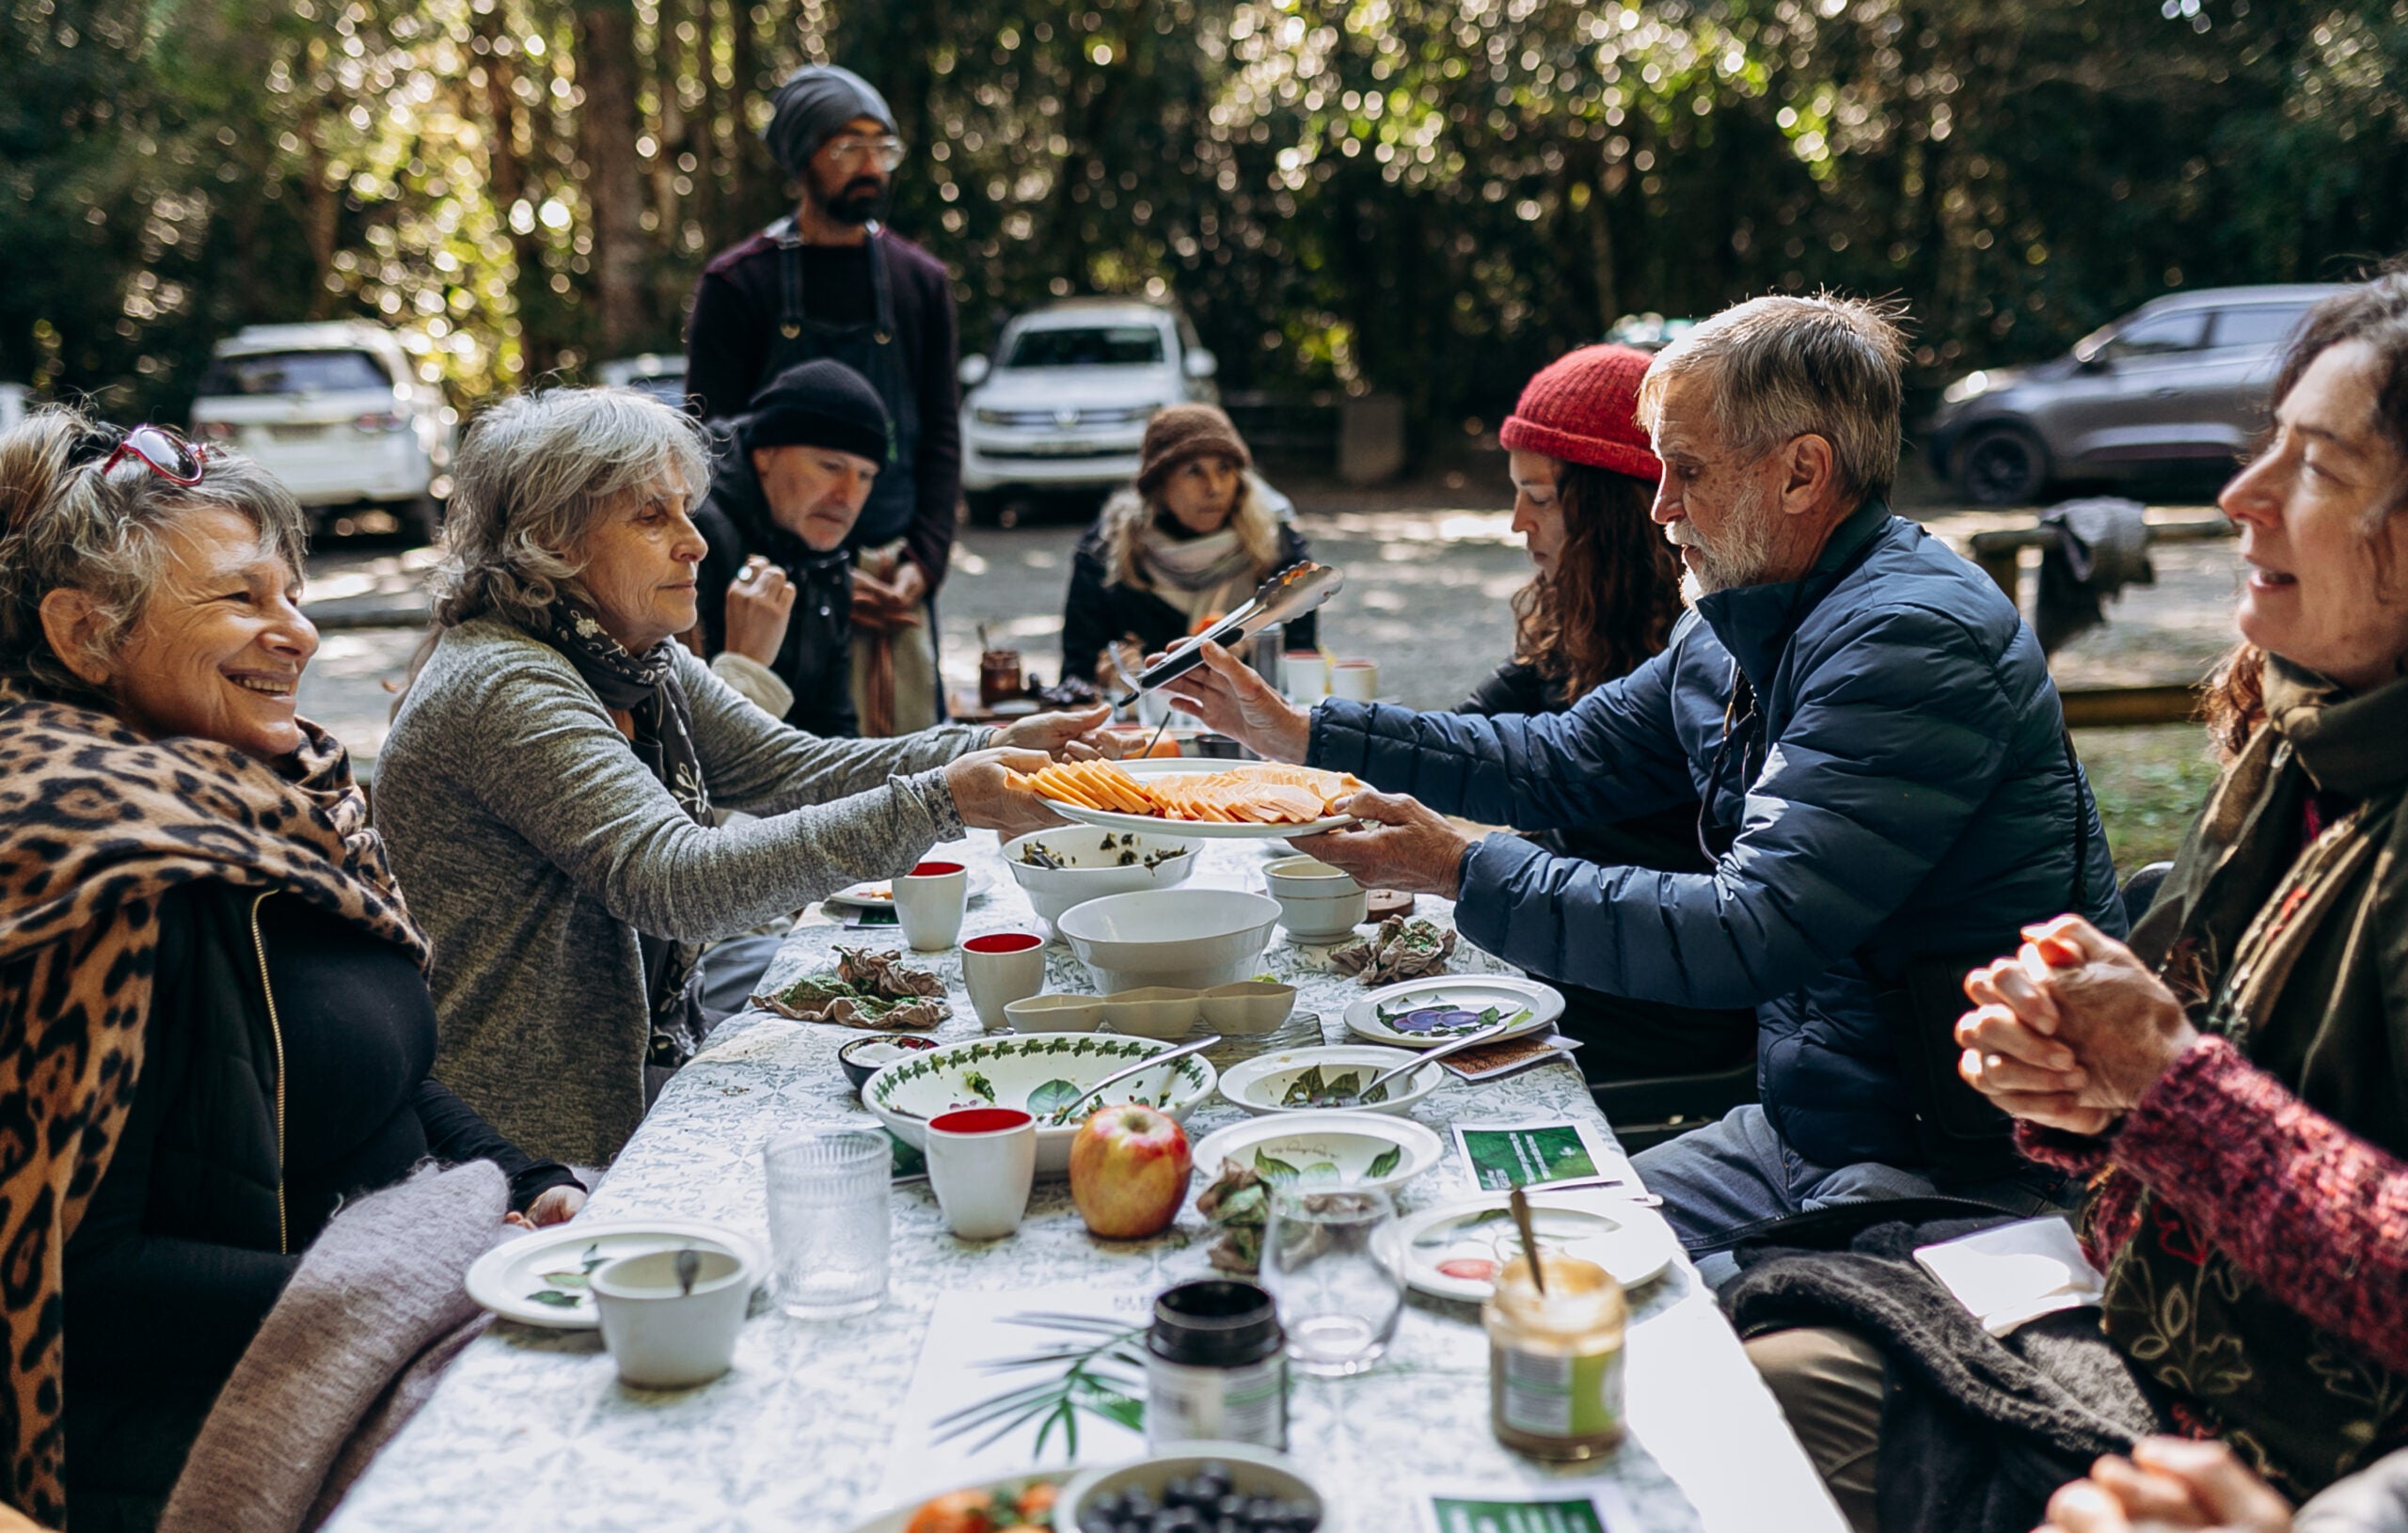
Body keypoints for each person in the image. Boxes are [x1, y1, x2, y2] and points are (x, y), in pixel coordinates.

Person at [1160, 293, 2121, 1265]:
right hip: (1809, 1127)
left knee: (1585, 1312)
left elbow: (1753, 928)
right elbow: (1559, 759)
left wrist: (1461, 868)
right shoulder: (1739, 615)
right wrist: (1304, 731)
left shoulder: (1909, 638)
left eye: (1687, 470)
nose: (1658, 506)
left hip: (1945, 1163)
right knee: (1482, 1254)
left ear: (1801, 472)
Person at [1734, 274, 2408, 1530]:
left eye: (2313, 468)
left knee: (1739, 1413)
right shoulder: (2297, 751)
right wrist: (2087, 1099)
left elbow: (2222, 1118)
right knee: (1741, 1372)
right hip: (2142, 1322)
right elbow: (2199, 1131)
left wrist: (2162, 1082)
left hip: (2289, 1454)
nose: (2238, 497)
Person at [0, 409, 582, 1528]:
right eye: (237, 598)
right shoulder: (89, 864)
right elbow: (84, 1283)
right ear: (84, 634)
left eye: (291, 593)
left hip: (385, 1301)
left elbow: (373, 1079)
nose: (300, 634)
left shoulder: (269, 805)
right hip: (203, 1428)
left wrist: (530, 1179)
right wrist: (442, 1275)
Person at [376, 388, 1107, 1167]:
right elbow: (676, 881)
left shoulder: (632, 659)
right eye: (651, 517)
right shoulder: (504, 681)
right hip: (527, 1150)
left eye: (685, 510)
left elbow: (793, 766)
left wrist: (995, 739)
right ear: (551, 541)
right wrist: (943, 800)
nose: (694, 543)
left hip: (632, 1086)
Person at [1464, 343, 1755, 1083]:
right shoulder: (1581, 616)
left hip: (1668, 999)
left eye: (1539, 495)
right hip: (1580, 947)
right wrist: (1295, 745)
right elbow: (1470, 733)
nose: (1515, 523)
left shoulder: (1704, 654)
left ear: (1613, 508)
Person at [684, 63, 958, 735]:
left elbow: (942, 434)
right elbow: (708, 450)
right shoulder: (739, 284)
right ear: (802, 157)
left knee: (913, 759)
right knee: (771, 748)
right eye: (847, 147)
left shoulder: (920, 282)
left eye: (882, 148)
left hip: (892, 572)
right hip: (764, 574)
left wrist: (924, 560)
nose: (870, 165)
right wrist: (805, 576)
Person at [690, 358, 886, 734]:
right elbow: (677, 751)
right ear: (765, 455)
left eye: (865, 476)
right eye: (830, 466)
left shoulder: (825, 558)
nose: (848, 496)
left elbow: (834, 731)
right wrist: (745, 662)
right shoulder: (692, 540)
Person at [1060, 403, 1313, 693]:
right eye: (1193, 471)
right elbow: (1073, 679)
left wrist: (1249, 656)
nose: (1214, 487)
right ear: (1159, 484)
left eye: (1225, 468)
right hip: (1148, 731)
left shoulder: (1277, 549)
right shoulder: (1105, 552)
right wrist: (1110, 680)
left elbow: (1303, 664)